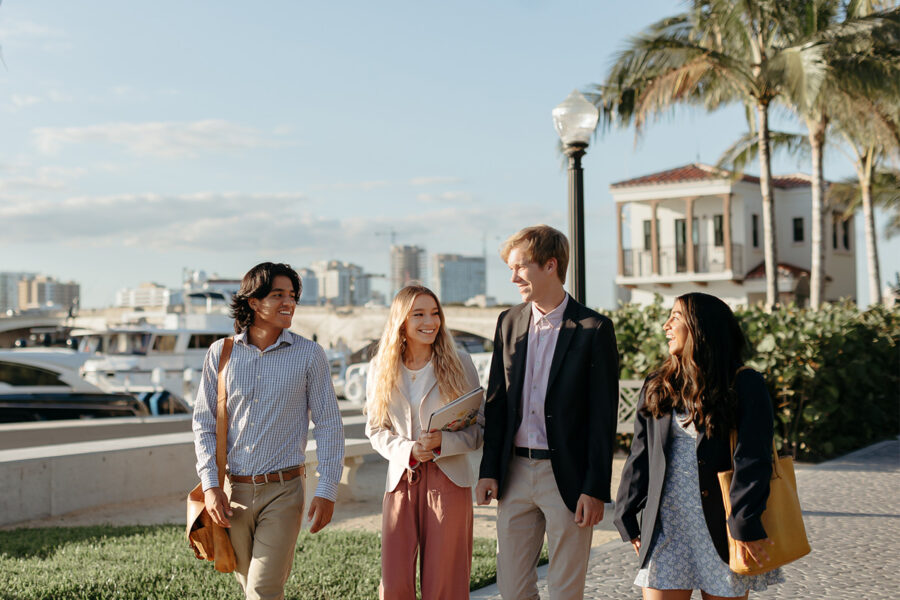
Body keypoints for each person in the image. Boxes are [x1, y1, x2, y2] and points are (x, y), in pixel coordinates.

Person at [475, 225, 620, 600]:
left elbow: (603, 418)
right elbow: (496, 401)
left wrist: (595, 489)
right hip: (515, 474)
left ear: (550, 265)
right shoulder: (508, 322)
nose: (512, 277)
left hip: (568, 478)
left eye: (520, 267)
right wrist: (489, 470)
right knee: (512, 588)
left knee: (565, 591)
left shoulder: (594, 328)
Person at [614, 292, 784, 599]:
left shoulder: (744, 384)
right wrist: (626, 512)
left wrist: (744, 522)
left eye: (676, 317)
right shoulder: (659, 383)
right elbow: (641, 453)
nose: (666, 325)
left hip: (722, 526)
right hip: (667, 526)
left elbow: (752, 459)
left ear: (701, 327)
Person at [192, 262, 345, 600]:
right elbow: (203, 425)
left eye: (292, 296)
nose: (288, 302)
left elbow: (329, 424)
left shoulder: (309, 355)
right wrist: (211, 485)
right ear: (253, 302)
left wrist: (328, 488)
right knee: (251, 588)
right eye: (278, 295)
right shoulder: (221, 353)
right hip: (233, 495)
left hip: (284, 491)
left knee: (263, 588)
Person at [365, 285, 484, 600]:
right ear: (401, 320)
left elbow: (479, 428)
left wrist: (444, 441)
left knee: (445, 581)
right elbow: (375, 429)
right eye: (419, 314)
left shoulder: (460, 363)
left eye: (435, 314)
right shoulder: (380, 368)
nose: (430, 322)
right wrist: (408, 450)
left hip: (449, 479)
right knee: (394, 584)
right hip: (401, 479)